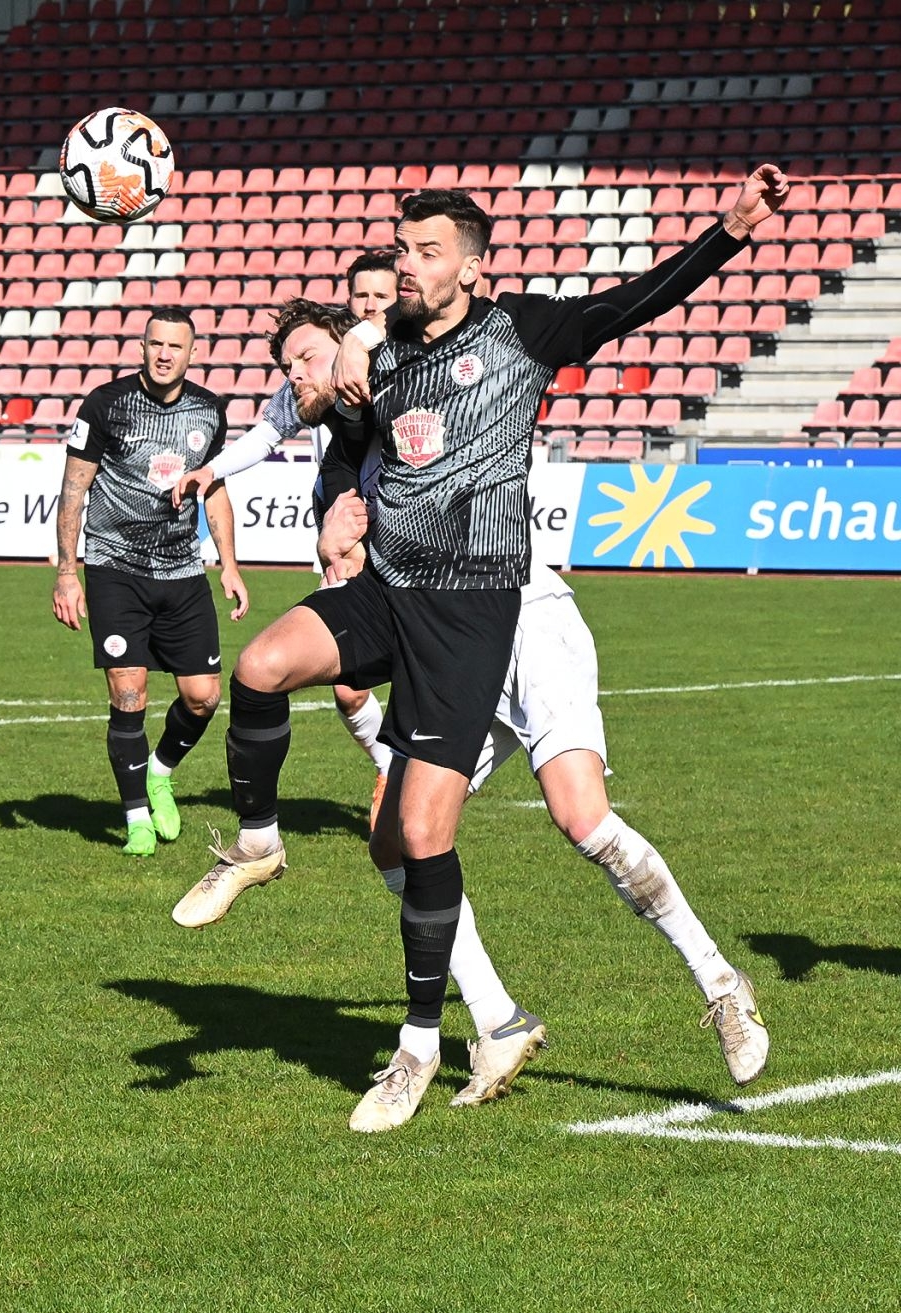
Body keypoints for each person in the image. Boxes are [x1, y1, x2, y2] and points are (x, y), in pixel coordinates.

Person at [169, 164, 789, 1133]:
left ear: (471, 263)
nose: (399, 278)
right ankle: (490, 1017)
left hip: (517, 608)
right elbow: (306, 412)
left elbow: (635, 302)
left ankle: (718, 981)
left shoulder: (517, 331)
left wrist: (731, 232)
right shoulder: (377, 362)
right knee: (397, 828)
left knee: (580, 817)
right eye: (390, 264)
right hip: (415, 607)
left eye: (420, 257)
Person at [174, 279, 401, 829]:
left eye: (382, 296)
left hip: (391, 539)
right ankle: (390, 767)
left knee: (416, 674)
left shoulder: (399, 372)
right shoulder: (315, 382)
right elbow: (266, 435)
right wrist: (212, 470)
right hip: (338, 526)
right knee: (349, 690)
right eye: (361, 296)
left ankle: (411, 783)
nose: (371, 304)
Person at [52, 307, 249, 856]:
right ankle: (137, 814)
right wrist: (68, 573)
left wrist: (229, 563)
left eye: (175, 346)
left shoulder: (209, 411)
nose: (164, 354)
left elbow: (215, 490)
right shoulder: (106, 404)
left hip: (183, 571)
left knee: (204, 697)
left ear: (192, 353)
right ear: (142, 346)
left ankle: (159, 770)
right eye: (155, 344)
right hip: (115, 568)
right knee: (130, 691)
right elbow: (73, 492)